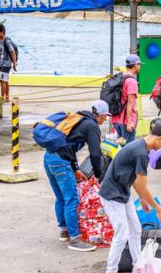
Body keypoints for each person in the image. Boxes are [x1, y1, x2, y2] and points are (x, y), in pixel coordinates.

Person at [100, 121, 161, 273]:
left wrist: (143, 199)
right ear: (159, 138)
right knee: (122, 233)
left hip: (123, 192)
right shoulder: (141, 154)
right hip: (112, 195)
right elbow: (143, 186)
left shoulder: (141, 146)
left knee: (136, 230)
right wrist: (158, 209)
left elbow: (137, 182)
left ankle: (138, 266)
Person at [43, 100, 111, 252]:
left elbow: (69, 146)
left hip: (49, 158)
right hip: (61, 162)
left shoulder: (79, 119)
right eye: (105, 116)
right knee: (71, 199)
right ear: (100, 115)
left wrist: (75, 169)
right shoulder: (92, 126)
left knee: (61, 198)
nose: (105, 119)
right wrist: (98, 174)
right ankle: (75, 239)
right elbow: (95, 153)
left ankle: (64, 231)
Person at [111, 55, 141, 143]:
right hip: (126, 122)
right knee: (128, 148)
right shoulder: (131, 81)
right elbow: (130, 103)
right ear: (136, 65)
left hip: (115, 119)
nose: (140, 67)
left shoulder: (118, 77)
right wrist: (129, 122)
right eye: (139, 65)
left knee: (120, 146)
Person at [0, 23, 18, 103]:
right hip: (0, 63)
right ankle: (7, 97)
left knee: (2, 80)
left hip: (6, 63)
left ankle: (2, 98)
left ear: (2, 32)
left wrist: (14, 64)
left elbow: (12, 52)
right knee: (4, 80)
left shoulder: (7, 41)